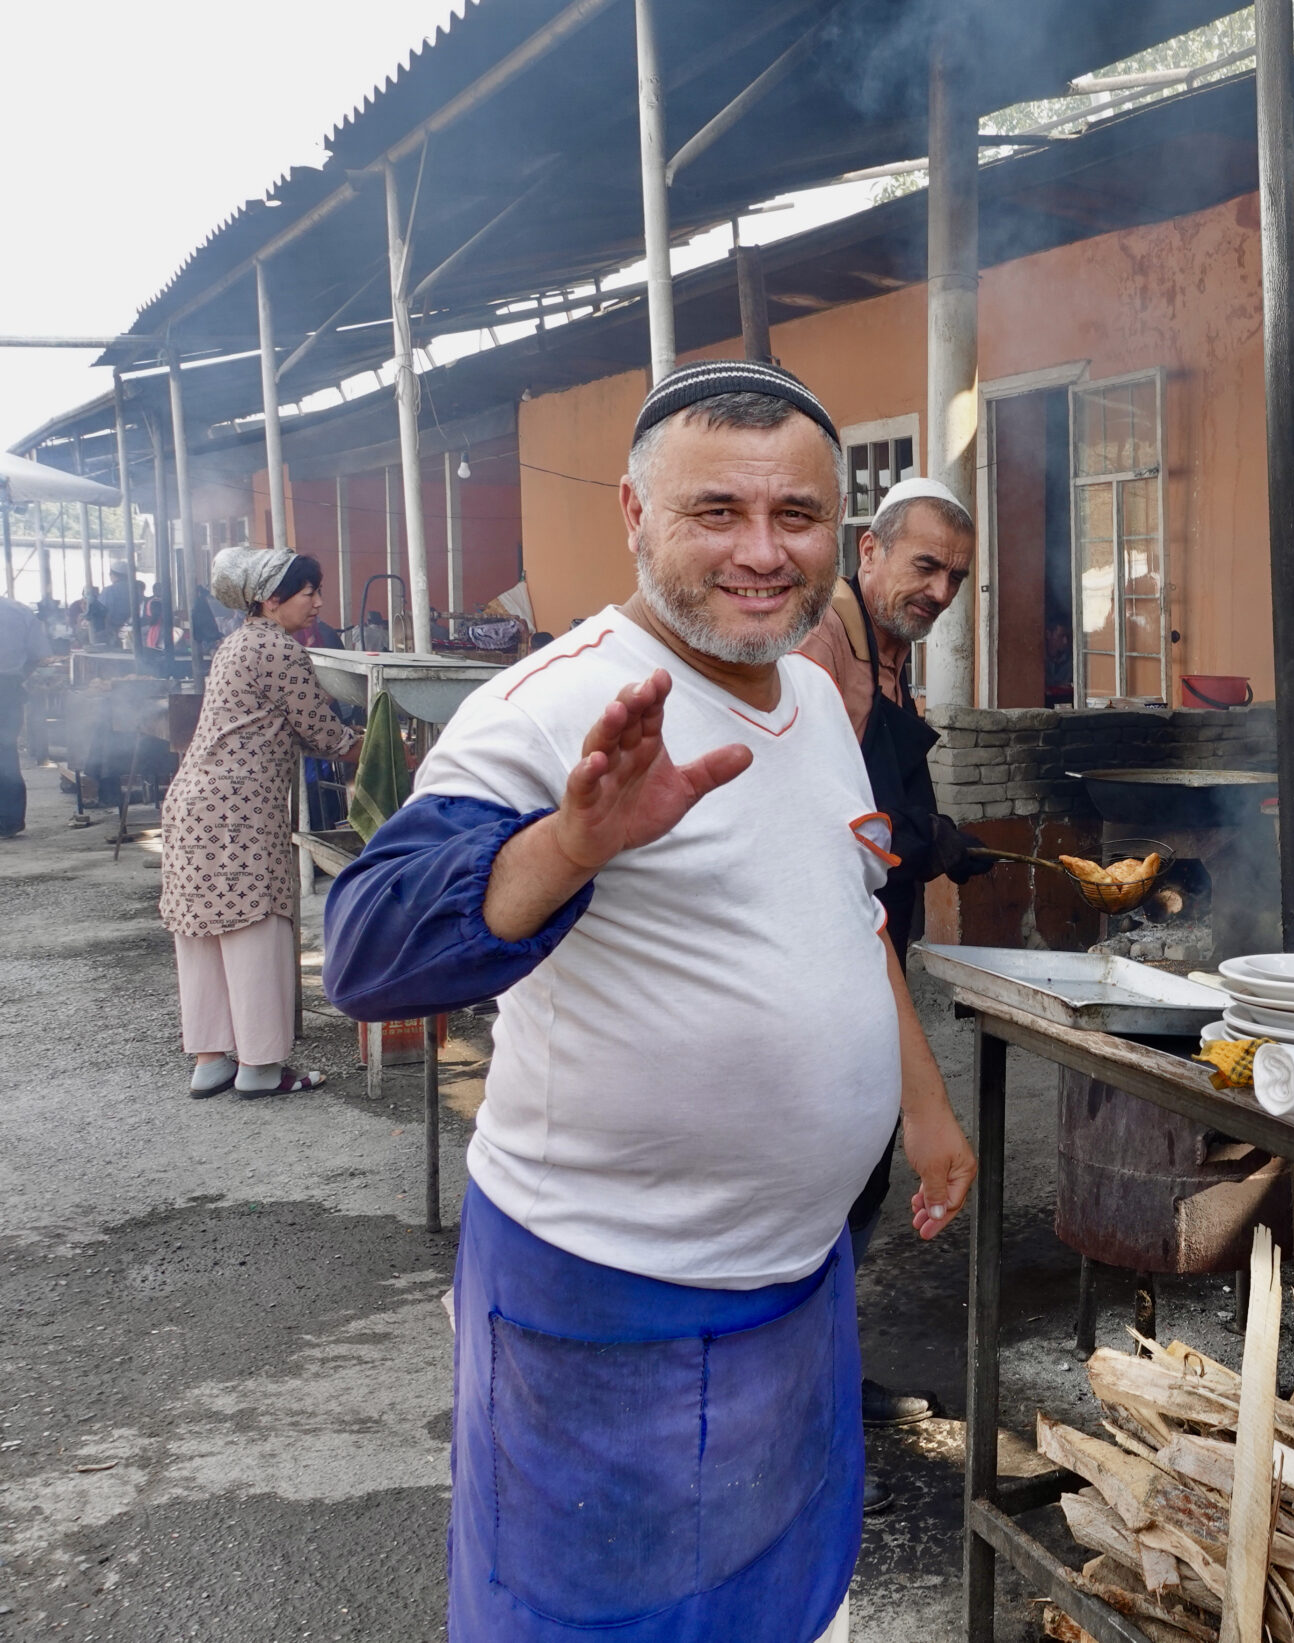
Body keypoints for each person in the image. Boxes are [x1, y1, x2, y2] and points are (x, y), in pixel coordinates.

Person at [324, 361, 975, 1643]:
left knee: (773, 1596)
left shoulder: (811, 697)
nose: (761, 553)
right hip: (607, 1294)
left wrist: (928, 1109)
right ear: (633, 513)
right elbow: (371, 949)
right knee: (588, 1617)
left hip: (792, 1283)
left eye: (794, 517)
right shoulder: (558, 704)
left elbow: (850, 926)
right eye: (714, 513)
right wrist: (569, 846)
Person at [791, 468, 996, 1440]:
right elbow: (830, 831)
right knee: (826, 1167)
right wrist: (922, 843)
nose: (941, 592)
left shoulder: (884, 646)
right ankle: (795, 1383)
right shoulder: (820, 642)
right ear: (866, 551)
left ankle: (817, 1368)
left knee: (856, 1164)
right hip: (823, 955)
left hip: (867, 940)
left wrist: (934, 836)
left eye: (957, 577)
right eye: (925, 566)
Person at [158, 549, 362, 1097]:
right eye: (307, 593)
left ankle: (211, 1061)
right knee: (255, 926)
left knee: (203, 929)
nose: (318, 602)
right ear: (272, 601)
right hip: (238, 809)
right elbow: (325, 733)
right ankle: (261, 1068)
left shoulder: (237, 642)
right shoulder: (278, 648)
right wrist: (383, 749)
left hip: (193, 800)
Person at [0, 587, 50, 837]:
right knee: (6, 751)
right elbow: (38, 656)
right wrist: (17, 676)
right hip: (8, 689)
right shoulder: (18, 611)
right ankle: (8, 822)